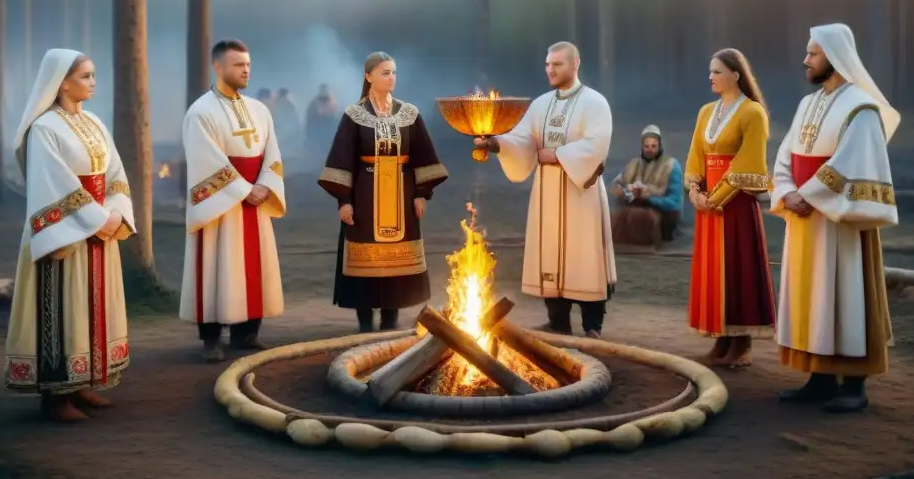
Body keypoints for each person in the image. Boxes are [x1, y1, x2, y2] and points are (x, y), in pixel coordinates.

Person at [771, 23, 898, 413]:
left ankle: (854, 384)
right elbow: (785, 153)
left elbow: (852, 161)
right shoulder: (807, 104)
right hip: (805, 217)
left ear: (834, 56)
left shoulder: (860, 106)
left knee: (845, 292)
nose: (805, 60)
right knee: (811, 294)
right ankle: (820, 377)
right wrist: (786, 190)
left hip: (838, 221)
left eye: (813, 53)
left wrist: (806, 195)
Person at [4, 49, 136, 422]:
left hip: (98, 228)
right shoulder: (45, 128)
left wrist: (116, 213)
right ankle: (55, 396)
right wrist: (97, 219)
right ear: (63, 81)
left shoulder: (94, 122)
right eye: (86, 76)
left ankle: (81, 382)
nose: (93, 83)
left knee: (89, 307)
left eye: (93, 76)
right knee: (59, 307)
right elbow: (53, 185)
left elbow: (115, 173)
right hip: (63, 235)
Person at [475, 42, 616, 338]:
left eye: (558, 64)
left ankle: (592, 326)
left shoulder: (595, 102)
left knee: (586, 255)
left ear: (575, 64)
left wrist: (555, 154)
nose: (550, 70)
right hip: (547, 193)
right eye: (547, 65)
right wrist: (496, 143)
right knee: (549, 253)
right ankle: (558, 321)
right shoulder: (540, 104)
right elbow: (523, 141)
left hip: (582, 192)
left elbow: (597, 144)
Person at [318, 52, 448, 332]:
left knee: (396, 263)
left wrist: (421, 193)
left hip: (402, 195)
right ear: (368, 77)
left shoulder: (409, 114)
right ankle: (365, 324)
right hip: (365, 197)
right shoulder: (354, 115)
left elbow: (422, 156)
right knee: (366, 261)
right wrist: (344, 200)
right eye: (385, 73)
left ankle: (390, 322)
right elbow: (342, 158)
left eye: (393, 73)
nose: (391, 78)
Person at [178, 40, 287, 362]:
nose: (246, 70)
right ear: (218, 67)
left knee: (254, 266)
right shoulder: (200, 112)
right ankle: (211, 339)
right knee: (215, 265)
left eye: (248, 64)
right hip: (220, 204)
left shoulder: (260, 109)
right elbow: (204, 160)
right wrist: (243, 190)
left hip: (255, 199)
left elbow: (272, 152)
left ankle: (247, 334)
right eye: (239, 64)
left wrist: (266, 183)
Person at [684, 48, 776, 368]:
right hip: (708, 202)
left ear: (736, 75)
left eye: (717, 71)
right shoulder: (705, 111)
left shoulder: (753, 113)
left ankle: (742, 343)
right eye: (710, 71)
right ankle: (720, 338)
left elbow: (748, 161)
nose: (711, 76)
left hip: (735, 204)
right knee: (714, 270)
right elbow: (697, 153)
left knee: (738, 268)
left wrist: (716, 198)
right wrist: (695, 191)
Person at [611, 124, 684, 246]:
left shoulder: (671, 166)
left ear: (660, 145)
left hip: (662, 219)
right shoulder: (633, 165)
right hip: (632, 212)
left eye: (653, 146)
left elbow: (675, 203)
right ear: (642, 147)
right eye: (646, 146)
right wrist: (619, 191)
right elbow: (617, 184)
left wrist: (649, 199)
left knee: (643, 219)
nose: (650, 149)